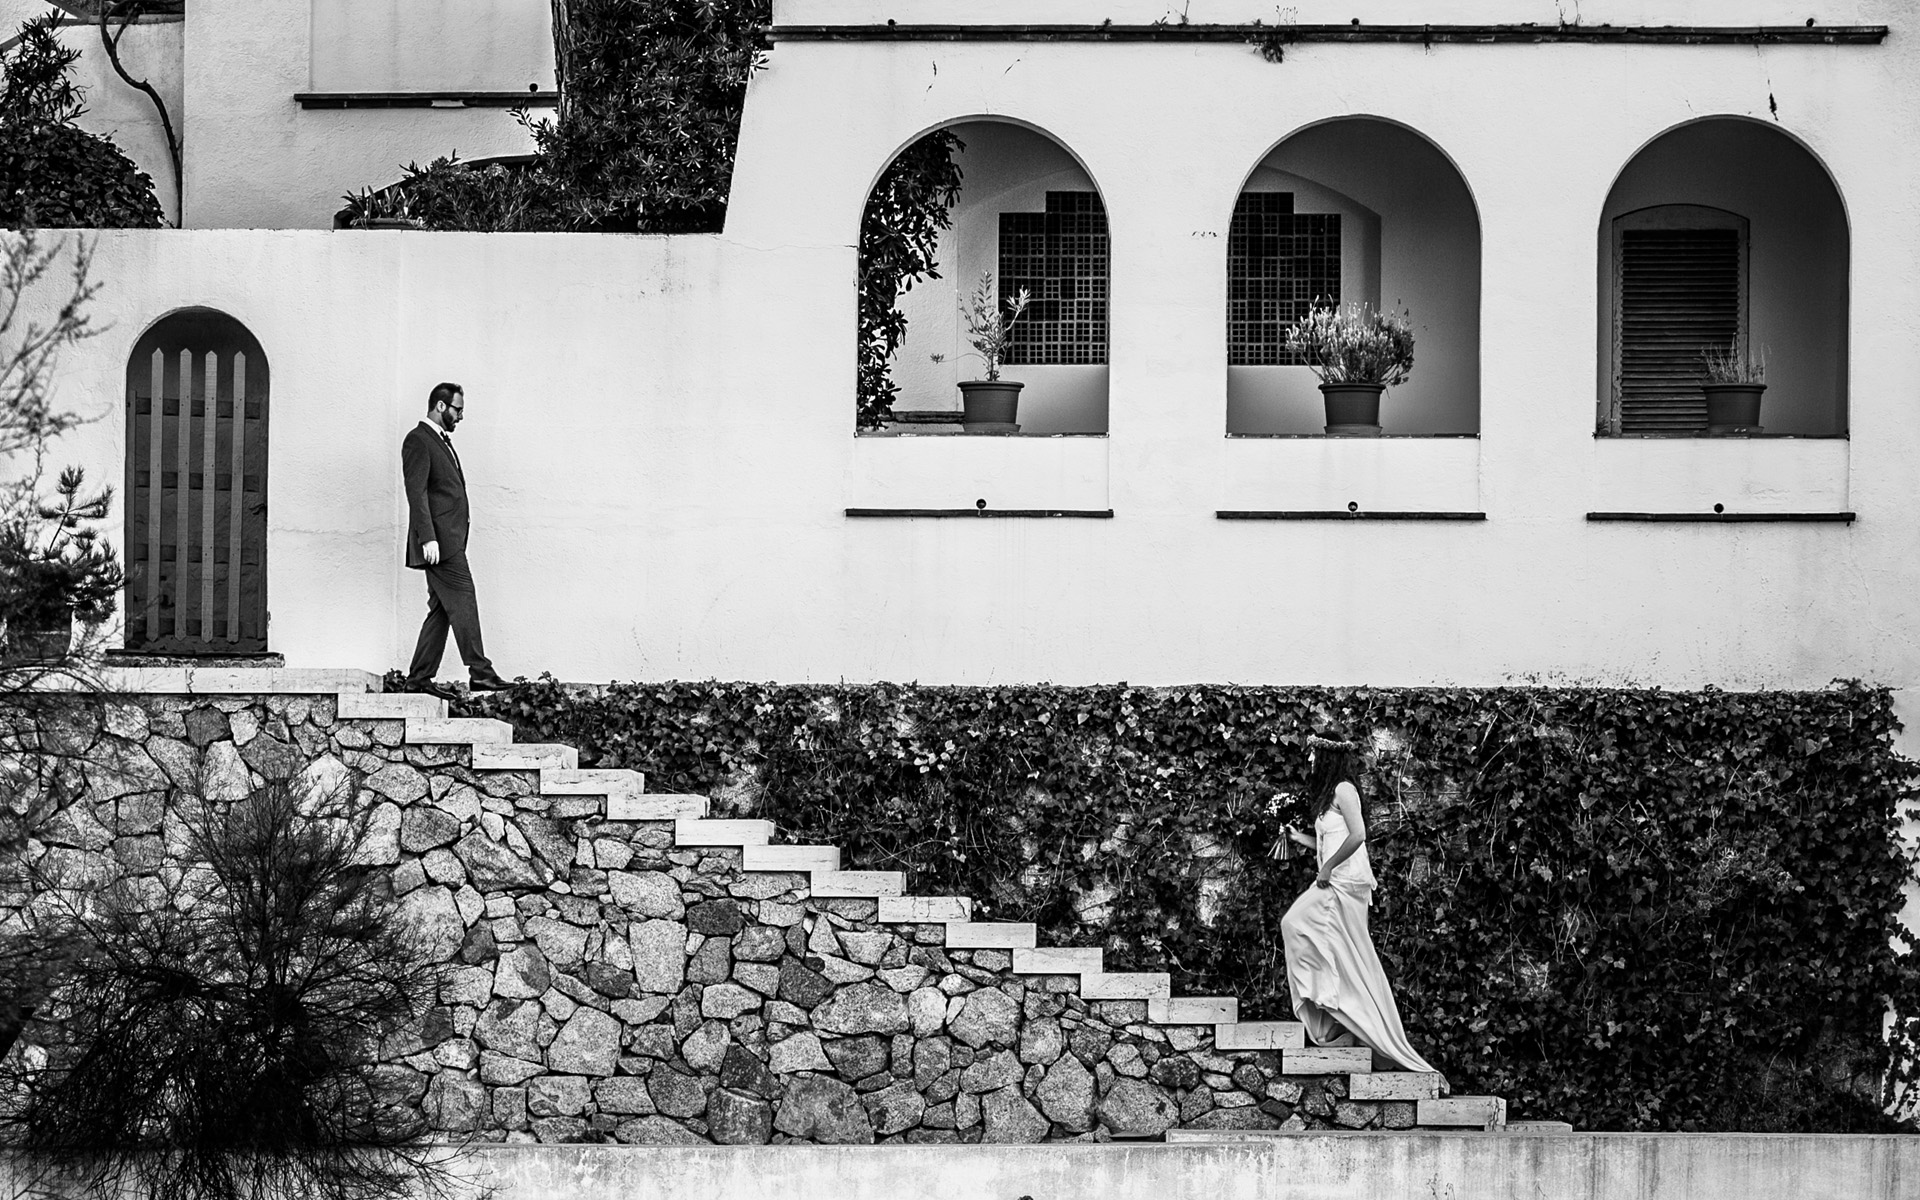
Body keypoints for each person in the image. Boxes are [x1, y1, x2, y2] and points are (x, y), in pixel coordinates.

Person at [1277, 732, 1442, 1076]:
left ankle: (1347, 1013)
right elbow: (1329, 841)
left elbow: (1358, 835)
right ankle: (1339, 1016)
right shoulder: (1328, 795)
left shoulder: (1344, 789)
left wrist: (1327, 867)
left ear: (1327, 756)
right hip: (1333, 878)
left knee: (1301, 926)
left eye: (1312, 755)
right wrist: (1298, 839)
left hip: (1345, 882)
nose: (1308, 761)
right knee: (1337, 949)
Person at [400, 382, 509, 699]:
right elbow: (416, 492)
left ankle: (419, 679)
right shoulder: (418, 440)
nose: (461, 416)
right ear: (440, 406)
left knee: (442, 611)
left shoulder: (441, 441)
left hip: (449, 540)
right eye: (457, 409)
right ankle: (481, 673)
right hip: (440, 544)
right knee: (464, 599)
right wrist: (428, 538)